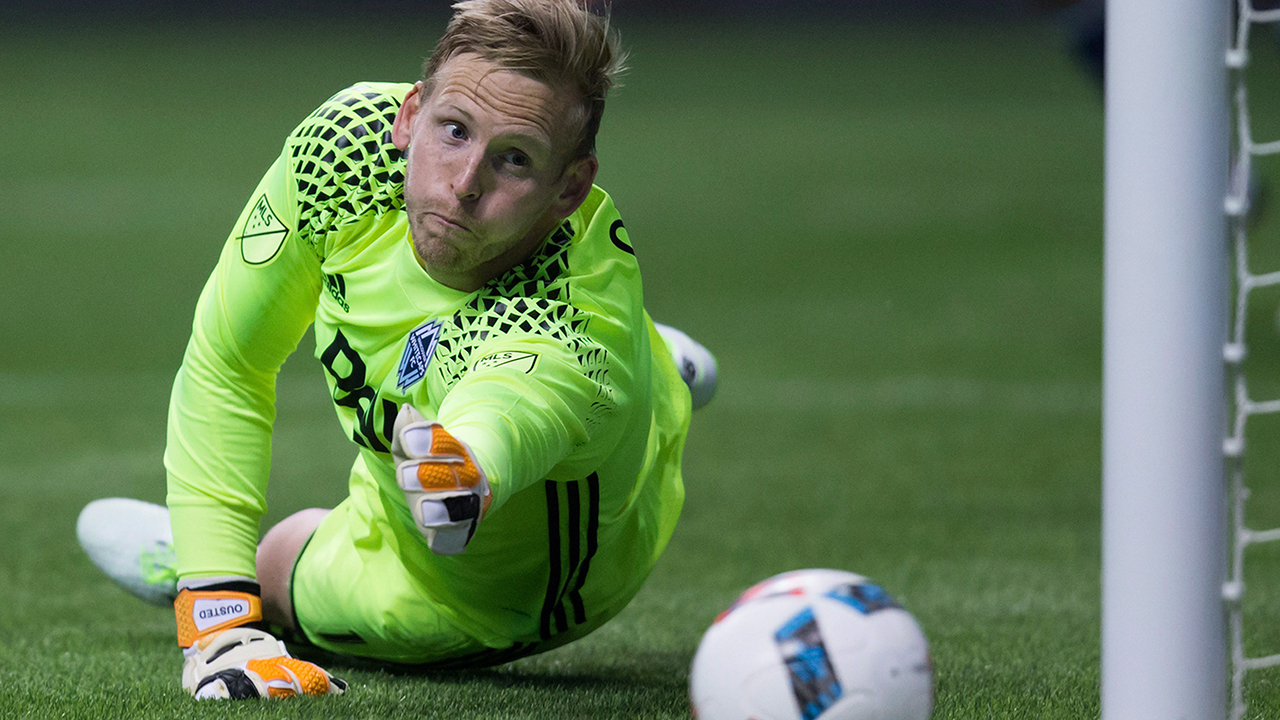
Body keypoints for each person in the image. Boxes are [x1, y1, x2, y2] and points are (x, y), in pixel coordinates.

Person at [76, 0, 716, 700]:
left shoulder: (564, 325)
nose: (465, 183)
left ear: (570, 188)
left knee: (281, 556)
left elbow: (511, 410)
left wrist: (465, 474)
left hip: (509, 587)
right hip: (454, 447)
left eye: (514, 159)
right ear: (409, 116)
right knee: (607, 379)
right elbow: (229, 362)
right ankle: (656, 372)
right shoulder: (344, 152)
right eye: (454, 131)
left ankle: (212, 562)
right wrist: (219, 623)